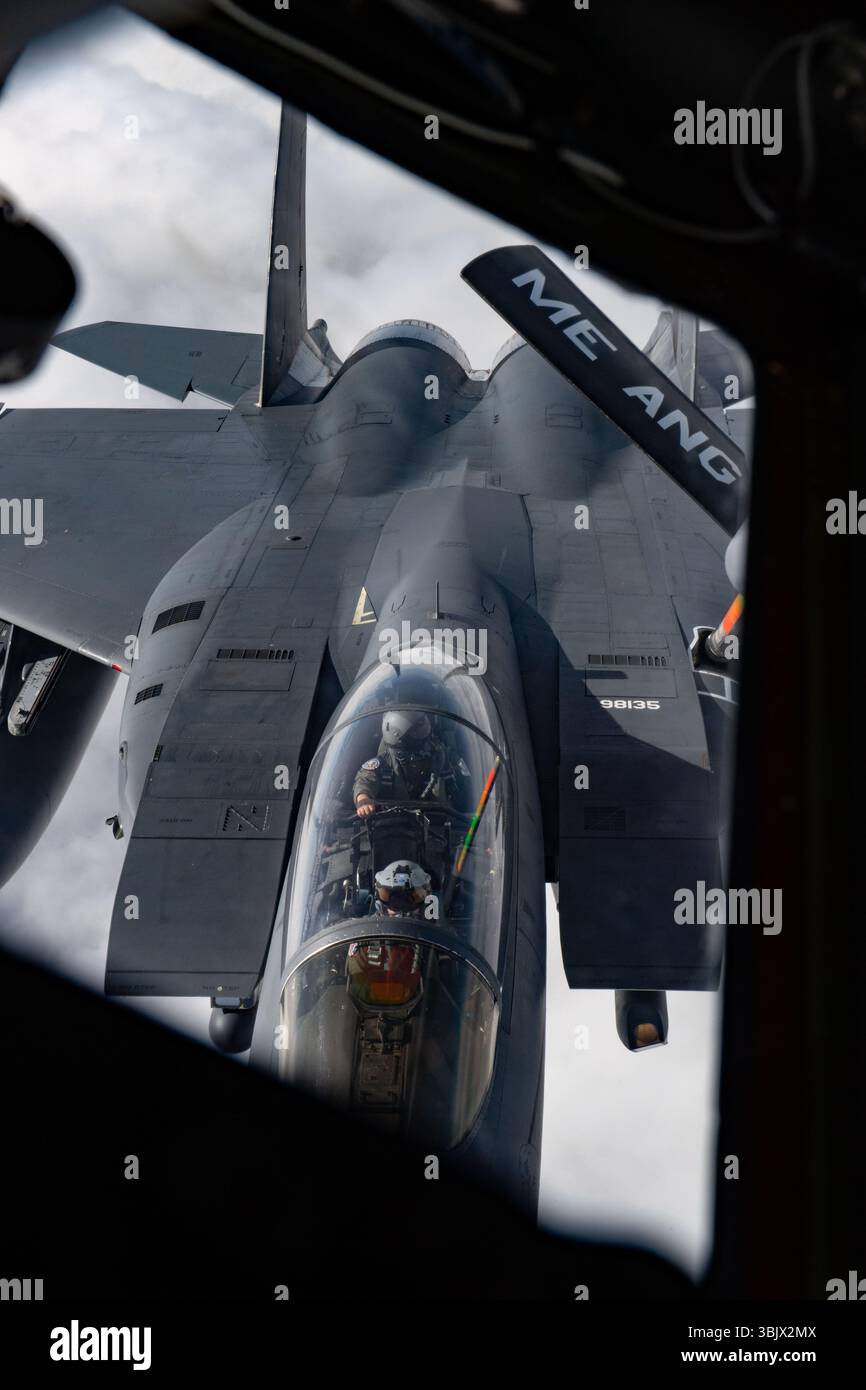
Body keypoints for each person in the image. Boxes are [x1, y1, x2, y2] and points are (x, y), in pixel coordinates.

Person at [353, 710, 463, 816]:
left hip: (440, 827)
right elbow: (365, 780)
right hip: (393, 827)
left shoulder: (442, 758)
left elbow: (468, 789)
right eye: (416, 746)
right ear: (399, 748)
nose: (425, 750)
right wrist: (363, 799)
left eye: (426, 742)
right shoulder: (383, 763)